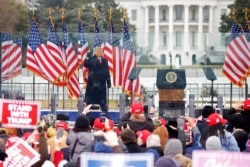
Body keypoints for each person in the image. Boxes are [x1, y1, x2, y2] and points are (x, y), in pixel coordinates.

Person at [84, 47, 111, 114]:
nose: (99, 52)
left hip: (102, 86)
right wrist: (87, 56)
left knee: (103, 103)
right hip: (92, 85)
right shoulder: (91, 59)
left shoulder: (105, 61)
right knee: (90, 103)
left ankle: (105, 116)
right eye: (98, 51)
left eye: (100, 51)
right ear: (95, 52)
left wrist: (109, 82)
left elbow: (107, 72)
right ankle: (88, 116)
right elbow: (85, 64)